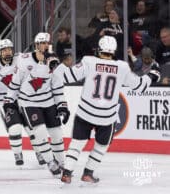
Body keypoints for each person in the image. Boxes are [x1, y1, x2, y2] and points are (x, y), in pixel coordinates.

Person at [60, 36, 160, 184]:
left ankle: (67, 173)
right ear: (114, 51)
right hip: (106, 116)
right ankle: (88, 173)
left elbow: (67, 77)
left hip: (85, 112)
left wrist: (56, 64)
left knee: (77, 143)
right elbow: (139, 86)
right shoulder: (122, 67)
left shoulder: (88, 61)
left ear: (99, 49)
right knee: (101, 145)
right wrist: (152, 75)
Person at [3, 32, 70, 176]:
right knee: (39, 133)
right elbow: (15, 82)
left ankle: (62, 164)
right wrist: (9, 100)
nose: (46, 46)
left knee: (57, 134)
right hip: (29, 103)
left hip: (49, 102)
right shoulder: (24, 60)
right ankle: (50, 162)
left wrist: (62, 106)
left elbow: (57, 88)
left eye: (48, 43)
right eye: (43, 43)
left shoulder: (54, 63)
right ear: (36, 45)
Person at [0, 39, 46, 166]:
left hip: (22, 99)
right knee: (15, 128)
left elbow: (36, 58)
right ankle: (18, 154)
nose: (7, 52)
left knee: (32, 128)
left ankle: (39, 152)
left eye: (9, 49)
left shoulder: (20, 59)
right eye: (4, 50)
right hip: (5, 102)